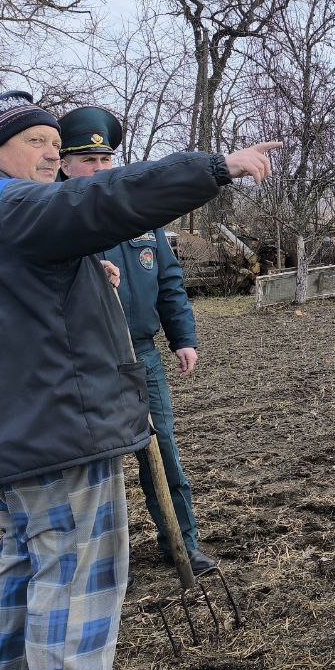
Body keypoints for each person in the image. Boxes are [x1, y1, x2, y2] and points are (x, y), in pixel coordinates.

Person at [0, 90, 277, 670]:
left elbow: (19, 304)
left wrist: (87, 278)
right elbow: (100, 199)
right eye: (36, 142)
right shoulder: (10, 203)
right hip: (57, 438)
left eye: (53, 144)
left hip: (13, 436)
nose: (49, 154)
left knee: (19, 578)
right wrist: (215, 167)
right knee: (75, 592)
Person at [58, 106, 217, 575]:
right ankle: (94, 562)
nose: (100, 170)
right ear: (65, 165)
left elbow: (168, 281)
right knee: (92, 467)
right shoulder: (58, 218)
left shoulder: (136, 214)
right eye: (89, 161)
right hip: (85, 361)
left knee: (162, 451)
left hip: (141, 354)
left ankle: (181, 543)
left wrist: (183, 338)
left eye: (106, 161)